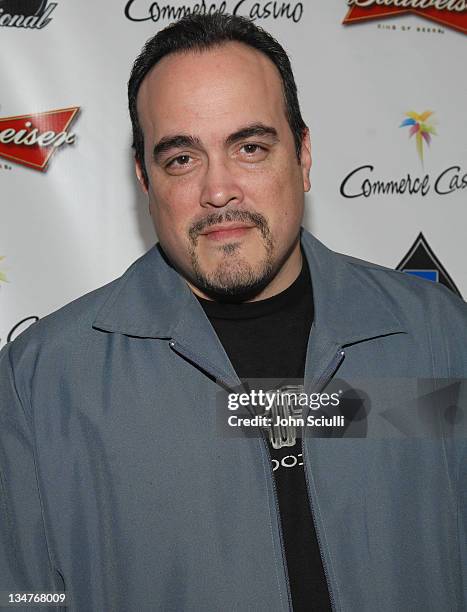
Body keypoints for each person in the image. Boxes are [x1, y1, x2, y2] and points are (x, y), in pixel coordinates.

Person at [0, 13, 466, 612]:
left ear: (303, 154)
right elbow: (23, 595)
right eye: (181, 159)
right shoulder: (41, 384)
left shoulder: (435, 337)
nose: (219, 190)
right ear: (143, 177)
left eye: (249, 147)